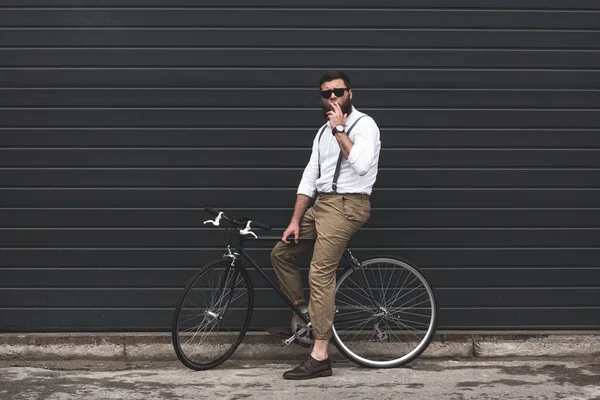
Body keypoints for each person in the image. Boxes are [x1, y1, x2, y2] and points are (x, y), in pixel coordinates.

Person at [267, 70, 381, 380]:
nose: (332, 97)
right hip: (322, 206)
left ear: (350, 94)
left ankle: (320, 355)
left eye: (338, 91)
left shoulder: (364, 125)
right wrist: (294, 221)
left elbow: (360, 164)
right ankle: (304, 315)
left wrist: (340, 129)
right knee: (280, 253)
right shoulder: (321, 133)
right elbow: (309, 177)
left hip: (349, 204)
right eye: (326, 94)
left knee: (320, 271)